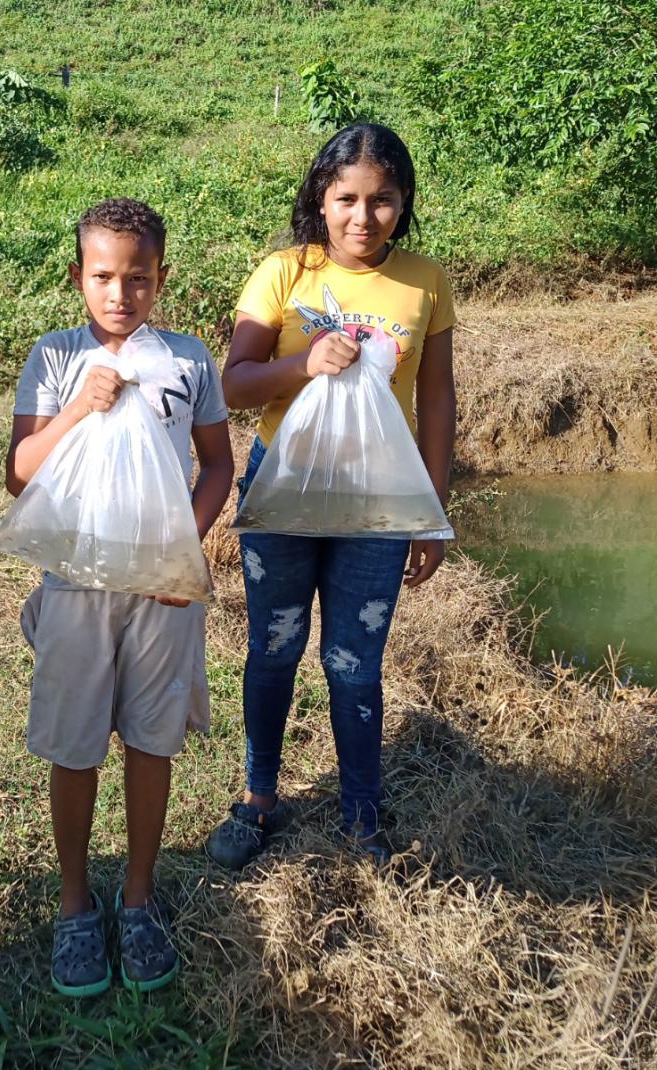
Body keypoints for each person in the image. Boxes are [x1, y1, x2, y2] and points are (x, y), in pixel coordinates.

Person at [204, 123, 456, 870]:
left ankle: (360, 813)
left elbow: (437, 400)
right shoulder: (284, 272)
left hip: (377, 504)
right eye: (346, 198)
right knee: (274, 647)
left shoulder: (425, 282)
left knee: (354, 664)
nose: (363, 216)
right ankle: (257, 799)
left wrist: (433, 510)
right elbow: (236, 382)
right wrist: (305, 364)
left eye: (382, 201)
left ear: (403, 204)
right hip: (284, 492)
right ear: (322, 196)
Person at [6, 198, 233, 995]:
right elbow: (20, 472)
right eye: (103, 276)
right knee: (75, 746)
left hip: (163, 592)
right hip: (75, 585)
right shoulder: (56, 356)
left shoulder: (189, 360)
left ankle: (137, 896)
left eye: (138, 278)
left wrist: (186, 550)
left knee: (151, 739)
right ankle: (76, 903)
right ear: (78, 276)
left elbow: (217, 467)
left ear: (161, 279)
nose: (120, 293)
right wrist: (78, 406)